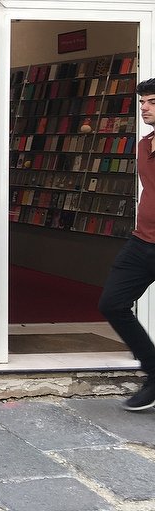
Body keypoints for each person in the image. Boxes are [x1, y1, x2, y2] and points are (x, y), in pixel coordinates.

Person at [99, 77, 155, 411]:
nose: (145, 108)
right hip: (142, 242)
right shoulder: (145, 146)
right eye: (143, 102)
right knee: (112, 303)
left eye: (152, 102)